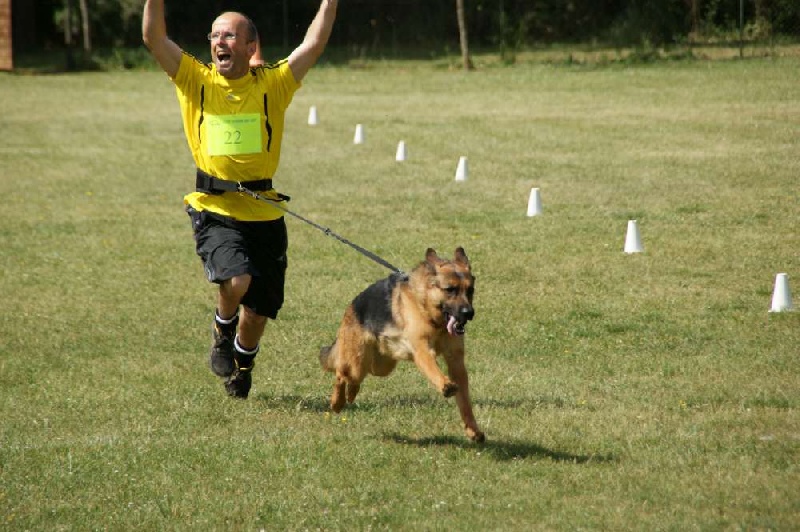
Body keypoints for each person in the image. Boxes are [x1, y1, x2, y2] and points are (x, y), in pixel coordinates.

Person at [142, 0, 339, 398]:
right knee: (237, 279)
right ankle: (221, 327)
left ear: (252, 47)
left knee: (259, 311)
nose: (219, 41)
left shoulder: (272, 84)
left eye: (229, 34)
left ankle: (243, 365)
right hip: (215, 208)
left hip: (265, 211)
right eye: (214, 35)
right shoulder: (195, 80)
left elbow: (314, 43)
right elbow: (153, 37)